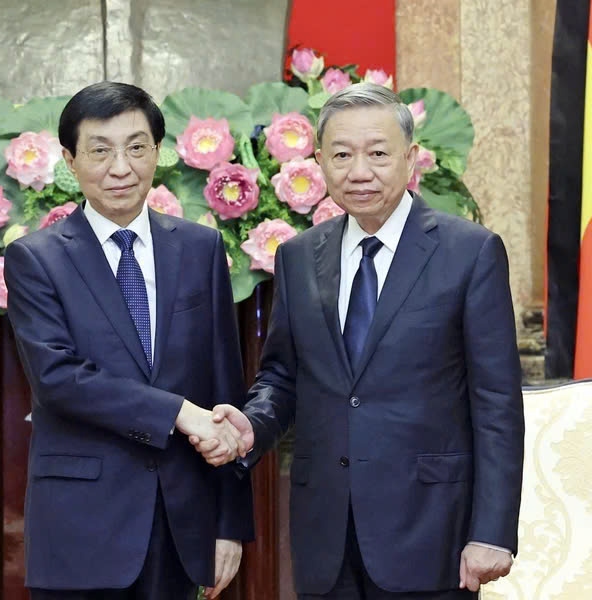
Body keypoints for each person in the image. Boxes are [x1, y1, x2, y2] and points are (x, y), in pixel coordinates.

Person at [192, 83, 524, 599]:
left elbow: (497, 402)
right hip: (325, 530)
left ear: (411, 158)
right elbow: (283, 375)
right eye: (342, 155)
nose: (360, 171)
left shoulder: (470, 252)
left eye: (378, 153)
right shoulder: (300, 256)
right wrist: (252, 425)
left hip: (432, 528)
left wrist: (492, 532)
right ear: (320, 160)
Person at [4, 81, 254, 600]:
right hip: (81, 529)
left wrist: (230, 522)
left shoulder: (200, 248)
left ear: (158, 153)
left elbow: (226, 387)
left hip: (182, 524)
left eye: (137, 147)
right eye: (100, 150)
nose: (121, 167)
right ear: (71, 160)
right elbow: (59, 380)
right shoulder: (37, 258)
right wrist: (178, 411)